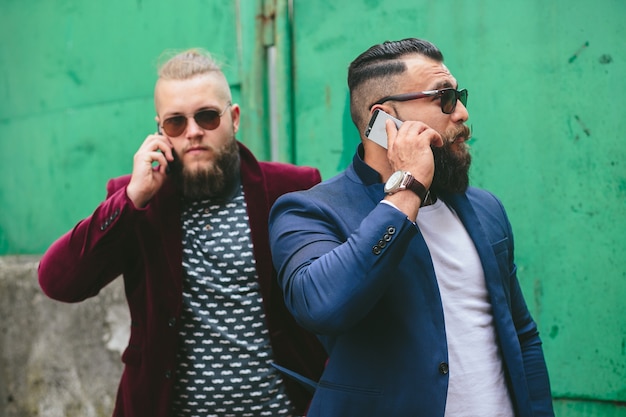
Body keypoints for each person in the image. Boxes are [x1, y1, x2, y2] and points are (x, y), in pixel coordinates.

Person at [268, 38, 555, 416]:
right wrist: (407, 190)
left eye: (459, 96)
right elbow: (322, 307)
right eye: (444, 98)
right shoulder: (307, 212)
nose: (462, 113)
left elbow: (521, 335)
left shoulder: (486, 209)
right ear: (384, 119)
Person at [38, 48, 327, 417]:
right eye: (176, 123)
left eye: (207, 117)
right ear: (160, 129)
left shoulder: (291, 187)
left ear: (234, 118)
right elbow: (58, 281)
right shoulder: (138, 201)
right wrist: (130, 199)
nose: (193, 132)